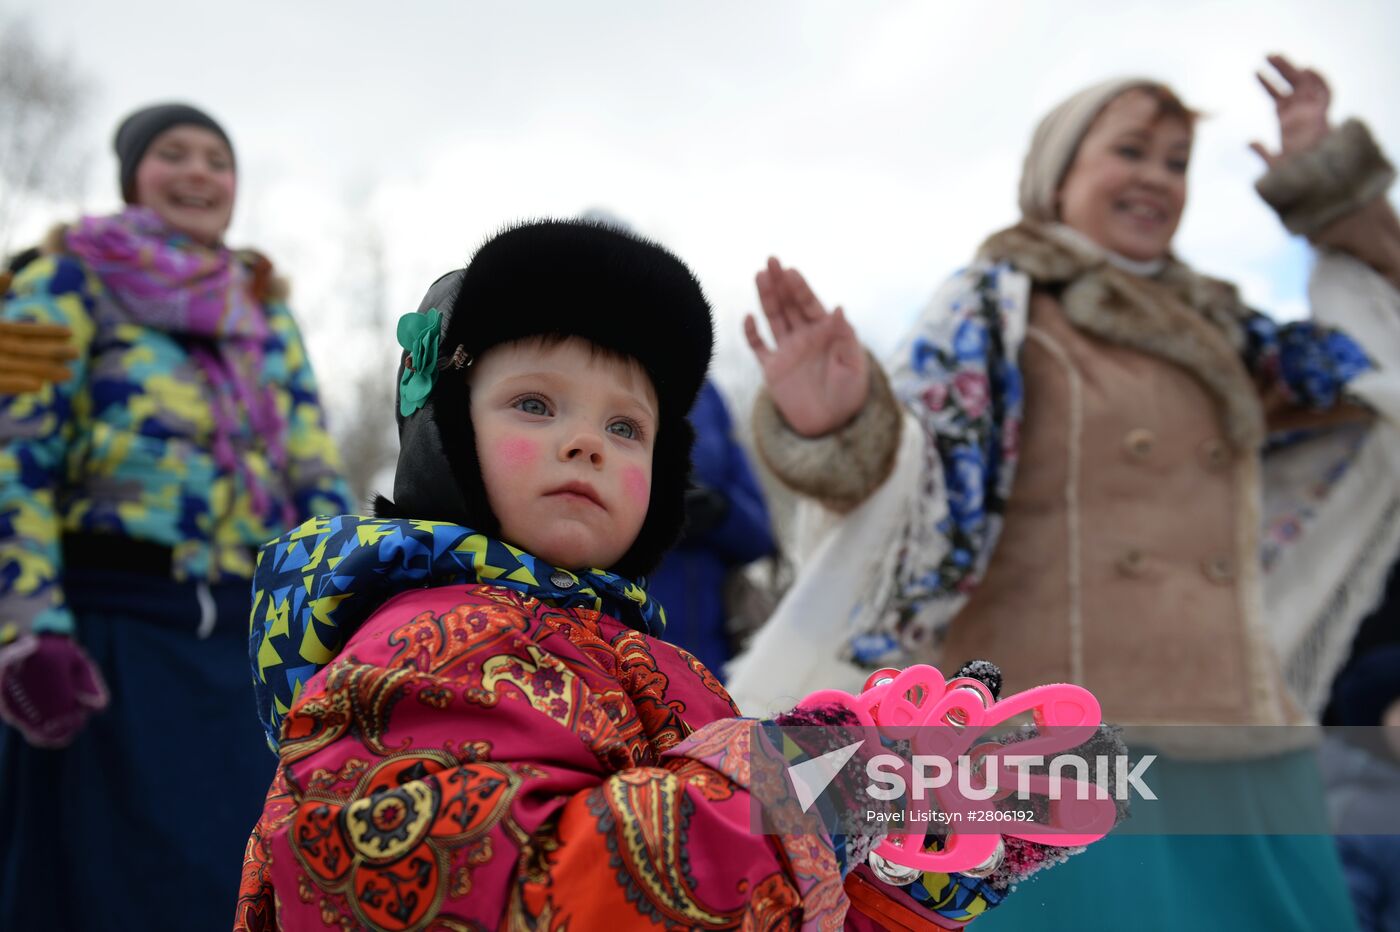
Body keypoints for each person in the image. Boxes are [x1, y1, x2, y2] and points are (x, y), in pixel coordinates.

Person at [234, 219, 1111, 930]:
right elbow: (518, 897)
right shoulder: (421, 649)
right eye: (535, 404)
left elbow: (745, 902)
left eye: (627, 428)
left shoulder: (644, 662)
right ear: (445, 431)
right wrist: (811, 783)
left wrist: (897, 873)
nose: (585, 440)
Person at [729, 56, 1400, 930]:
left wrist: (1329, 191)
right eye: (1132, 150)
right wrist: (839, 424)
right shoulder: (998, 306)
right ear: (1058, 176)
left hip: (1243, 739)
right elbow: (919, 482)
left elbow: (1377, 365)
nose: (1157, 178)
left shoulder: (1230, 335)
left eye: (1176, 162)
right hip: (1051, 743)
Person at [0, 103, 352, 928]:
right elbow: (17, 458)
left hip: (241, 645)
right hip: (107, 633)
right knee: (93, 883)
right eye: (173, 154)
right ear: (133, 176)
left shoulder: (263, 308)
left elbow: (312, 466)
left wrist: (348, 612)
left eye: (217, 160)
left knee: (227, 876)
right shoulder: (64, 281)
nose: (199, 172)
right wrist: (28, 630)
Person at [647, 378, 777, 677]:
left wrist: (721, 513)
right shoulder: (600, 373)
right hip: (618, 655)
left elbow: (761, 534)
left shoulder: (708, 395)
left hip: (713, 661)